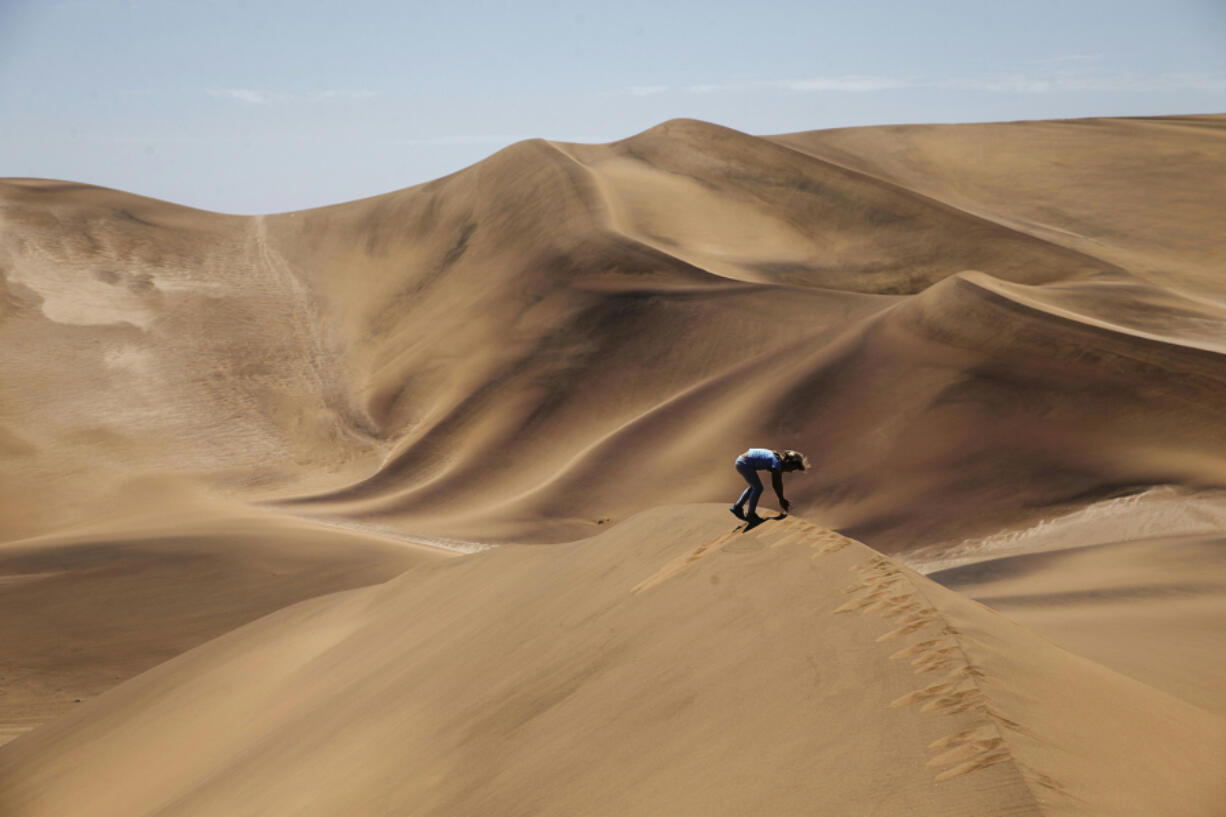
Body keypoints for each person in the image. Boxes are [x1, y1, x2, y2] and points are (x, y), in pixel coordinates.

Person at [730, 448, 809, 523]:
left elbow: (778, 481)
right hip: (744, 463)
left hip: (742, 461)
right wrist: (781, 499)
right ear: (787, 462)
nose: (791, 471)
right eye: (793, 468)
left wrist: (781, 498)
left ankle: (737, 507)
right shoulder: (776, 463)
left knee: (754, 487)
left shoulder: (777, 459)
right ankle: (751, 514)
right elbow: (776, 483)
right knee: (758, 488)